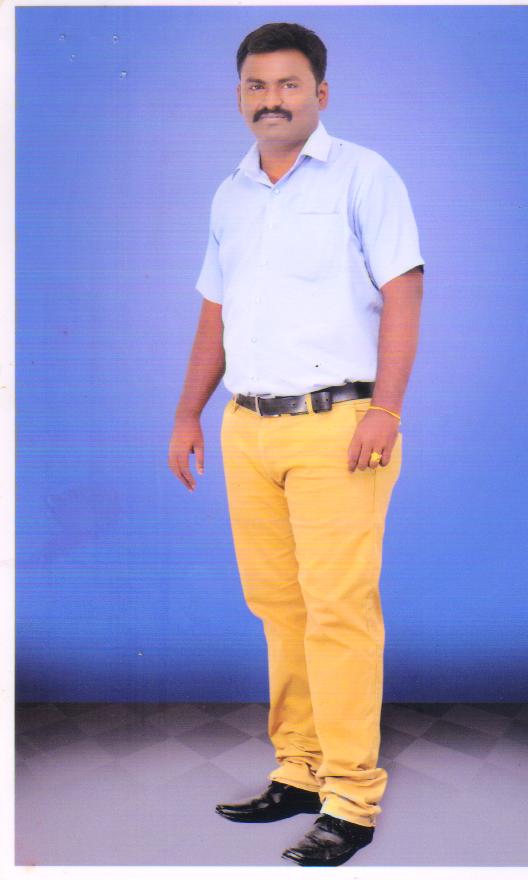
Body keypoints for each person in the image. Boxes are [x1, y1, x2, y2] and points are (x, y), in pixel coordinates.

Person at [169, 21, 424, 868]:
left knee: (338, 612)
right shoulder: (231, 194)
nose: (271, 100)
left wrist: (387, 410)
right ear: (239, 94)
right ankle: (301, 770)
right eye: (256, 85)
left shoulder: (363, 175)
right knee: (280, 610)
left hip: (339, 426)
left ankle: (351, 798)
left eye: (288, 84)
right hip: (248, 428)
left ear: (320, 92)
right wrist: (187, 415)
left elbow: (404, 291)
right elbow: (216, 313)